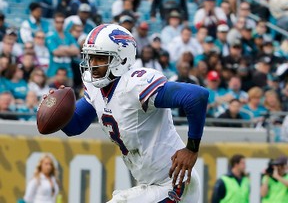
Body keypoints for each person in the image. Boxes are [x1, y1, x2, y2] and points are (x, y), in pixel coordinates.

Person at [43, 24, 209, 202]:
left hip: (174, 182)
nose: (93, 65)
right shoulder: (96, 88)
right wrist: (57, 109)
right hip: (152, 183)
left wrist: (191, 148)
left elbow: (196, 96)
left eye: (100, 58)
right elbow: (74, 126)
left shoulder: (136, 84)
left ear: (121, 59)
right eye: (90, 58)